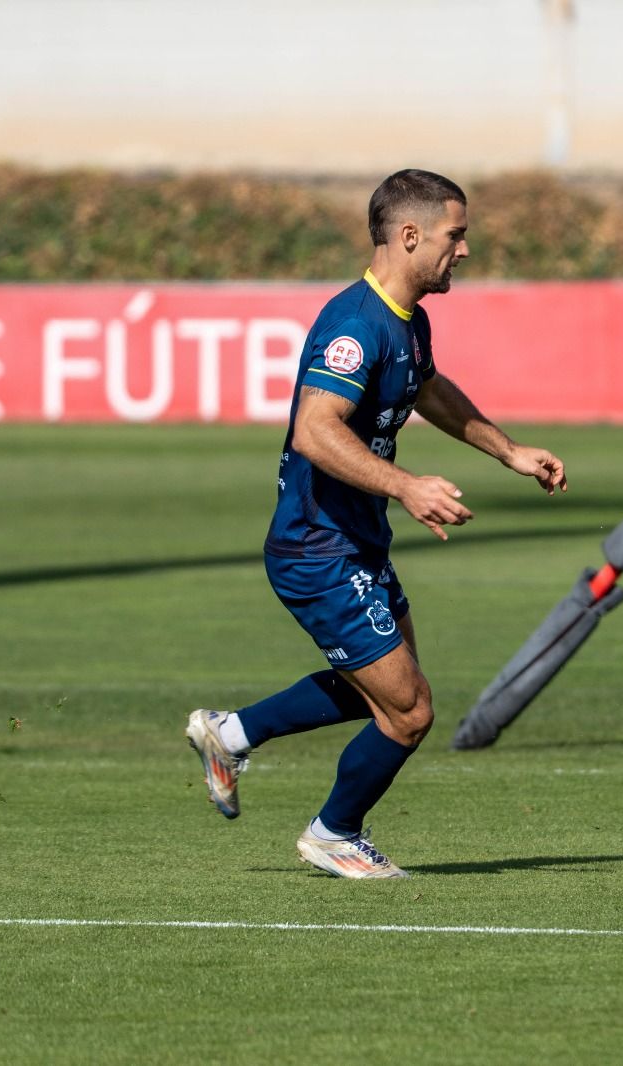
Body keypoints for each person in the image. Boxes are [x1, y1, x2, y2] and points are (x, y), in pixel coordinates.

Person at [186, 169, 567, 879]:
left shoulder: (407, 321)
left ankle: (230, 734)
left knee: (391, 690)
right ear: (410, 235)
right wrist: (406, 485)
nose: (465, 251)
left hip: (355, 540)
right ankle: (333, 833)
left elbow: (429, 389)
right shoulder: (354, 327)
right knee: (409, 710)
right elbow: (313, 430)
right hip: (316, 547)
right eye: (456, 237)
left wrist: (508, 450)